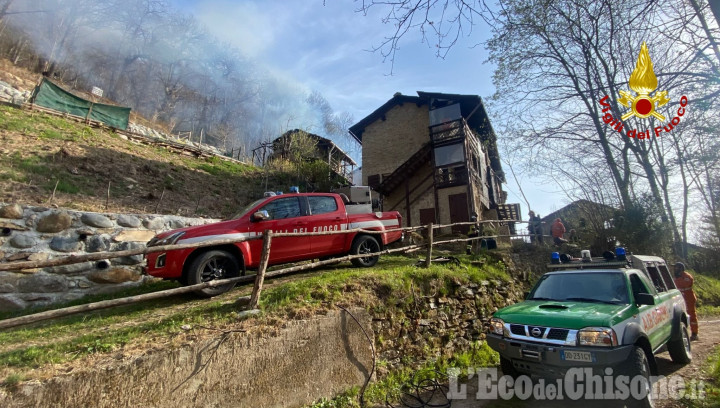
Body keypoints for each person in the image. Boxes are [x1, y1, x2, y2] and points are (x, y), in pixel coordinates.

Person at [674, 262, 698, 341]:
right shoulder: (675, 277)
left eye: (677, 268)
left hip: (688, 298)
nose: (675, 269)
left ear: (681, 269)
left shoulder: (687, 277)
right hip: (680, 298)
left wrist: (677, 278)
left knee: (691, 315)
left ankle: (694, 333)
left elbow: (684, 284)